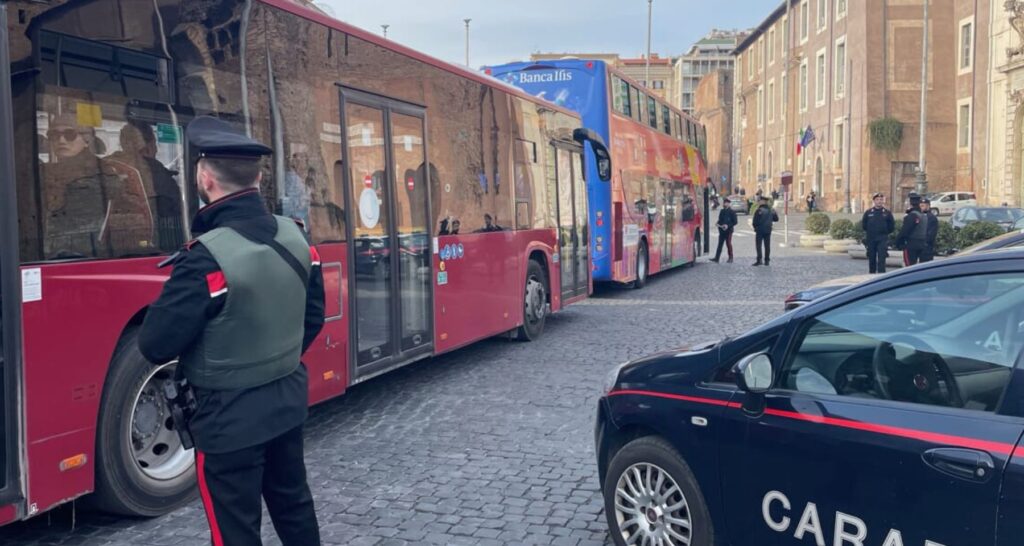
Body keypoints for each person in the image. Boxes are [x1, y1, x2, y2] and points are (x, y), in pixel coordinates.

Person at [138, 116, 325, 545]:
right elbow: (312, 319)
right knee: (295, 506)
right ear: (258, 177)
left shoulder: (205, 259)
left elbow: (155, 344)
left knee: (235, 530)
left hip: (227, 420)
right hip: (287, 400)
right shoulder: (296, 237)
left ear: (204, 179)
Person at [861, 192, 895, 274]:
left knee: (881, 259)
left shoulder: (887, 213)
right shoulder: (868, 212)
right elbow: (864, 225)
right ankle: (871, 275)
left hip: (882, 239)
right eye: (877, 200)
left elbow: (891, 226)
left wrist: (885, 232)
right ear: (874, 201)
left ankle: (881, 276)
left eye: (881, 199)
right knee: (871, 258)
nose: (879, 201)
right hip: (871, 239)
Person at [894, 192, 928, 266]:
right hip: (921, 243)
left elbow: (905, 231)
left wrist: (898, 241)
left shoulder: (912, 215)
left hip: (911, 244)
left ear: (910, 203)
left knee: (909, 266)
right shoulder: (923, 215)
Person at [752, 196, 779, 266]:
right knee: (767, 246)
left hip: (760, 230)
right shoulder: (771, 210)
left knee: (759, 246)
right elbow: (776, 219)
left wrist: (755, 228)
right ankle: (767, 260)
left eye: (759, 201)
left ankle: (759, 260)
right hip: (768, 230)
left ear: (762, 201)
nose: (758, 202)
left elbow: (754, 222)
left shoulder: (759, 211)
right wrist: (774, 212)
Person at [710, 197, 738, 263]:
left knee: (728, 244)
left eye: (726, 203)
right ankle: (717, 258)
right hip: (722, 230)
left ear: (729, 204)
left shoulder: (732, 212)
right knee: (720, 244)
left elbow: (735, 222)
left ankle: (731, 257)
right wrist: (718, 223)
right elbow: (720, 219)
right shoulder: (722, 211)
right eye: (724, 203)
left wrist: (728, 225)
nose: (725, 204)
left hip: (729, 231)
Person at [921, 197, 939, 262]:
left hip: (927, 248)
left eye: (923, 206)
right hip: (919, 247)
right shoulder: (919, 216)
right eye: (920, 205)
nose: (921, 207)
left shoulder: (932, 218)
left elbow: (931, 234)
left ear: (928, 206)